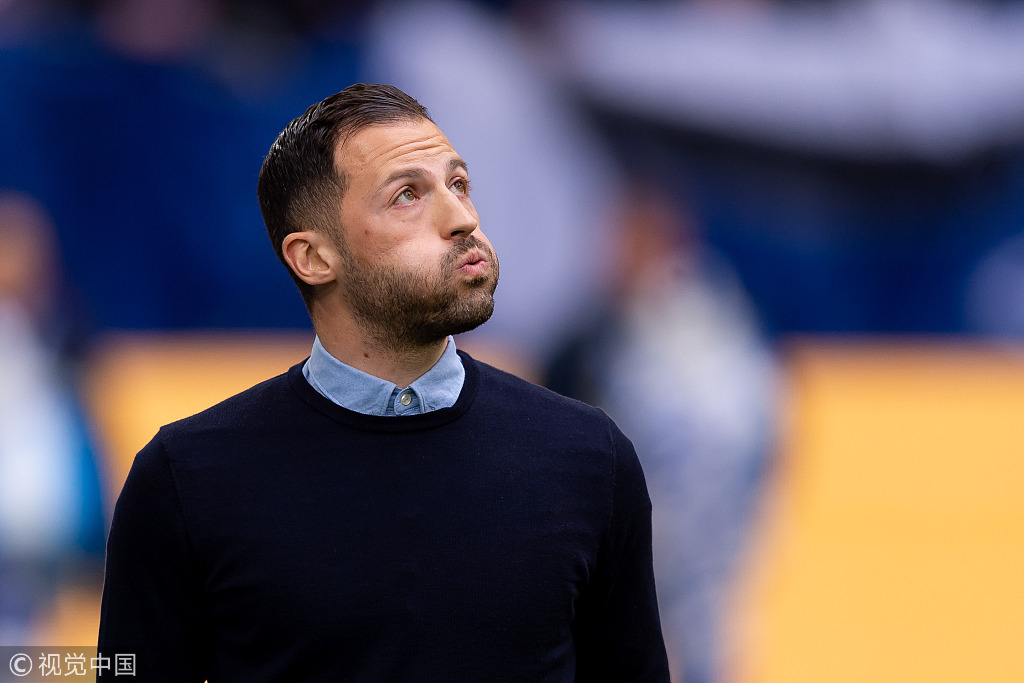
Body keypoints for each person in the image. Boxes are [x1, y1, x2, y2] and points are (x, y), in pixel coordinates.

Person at [97, 83, 670, 681]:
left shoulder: (590, 457)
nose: (463, 219)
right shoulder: (185, 479)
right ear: (313, 258)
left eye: (458, 184)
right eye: (407, 196)